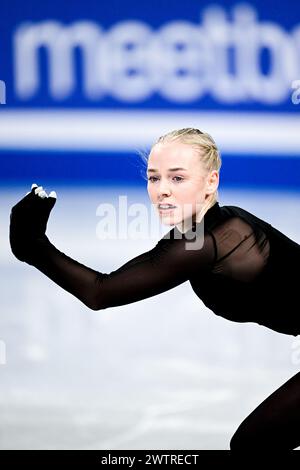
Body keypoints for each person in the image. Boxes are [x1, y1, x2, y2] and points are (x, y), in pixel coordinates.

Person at [9, 127, 300, 450]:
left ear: (211, 182)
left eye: (177, 178)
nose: (162, 190)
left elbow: (100, 292)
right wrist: (34, 247)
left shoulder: (209, 240)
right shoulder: (201, 233)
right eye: (153, 178)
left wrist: (34, 248)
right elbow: (111, 282)